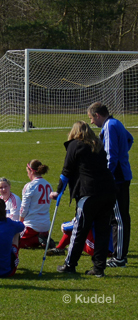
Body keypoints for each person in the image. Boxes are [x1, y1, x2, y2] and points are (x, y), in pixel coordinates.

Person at [50, 121, 116, 277]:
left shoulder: (75, 145)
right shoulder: (98, 146)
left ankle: (69, 264)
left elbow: (66, 171)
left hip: (89, 193)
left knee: (79, 229)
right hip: (108, 191)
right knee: (102, 230)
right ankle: (99, 268)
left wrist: (58, 191)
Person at [87, 102, 133, 267]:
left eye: (91, 118)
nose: (92, 122)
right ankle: (118, 254)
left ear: (97, 115)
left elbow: (111, 155)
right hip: (121, 175)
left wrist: (105, 176)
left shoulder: (109, 126)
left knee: (118, 219)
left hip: (117, 179)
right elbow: (130, 139)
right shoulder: (116, 123)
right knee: (118, 217)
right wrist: (123, 155)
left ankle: (119, 258)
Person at [19, 160, 53, 249]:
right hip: (45, 223)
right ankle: (43, 237)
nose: (27, 175)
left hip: (32, 224)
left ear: (31, 171)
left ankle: (38, 239)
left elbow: (24, 208)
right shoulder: (48, 185)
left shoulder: (30, 186)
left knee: (14, 241)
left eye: (27, 172)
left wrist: (20, 222)